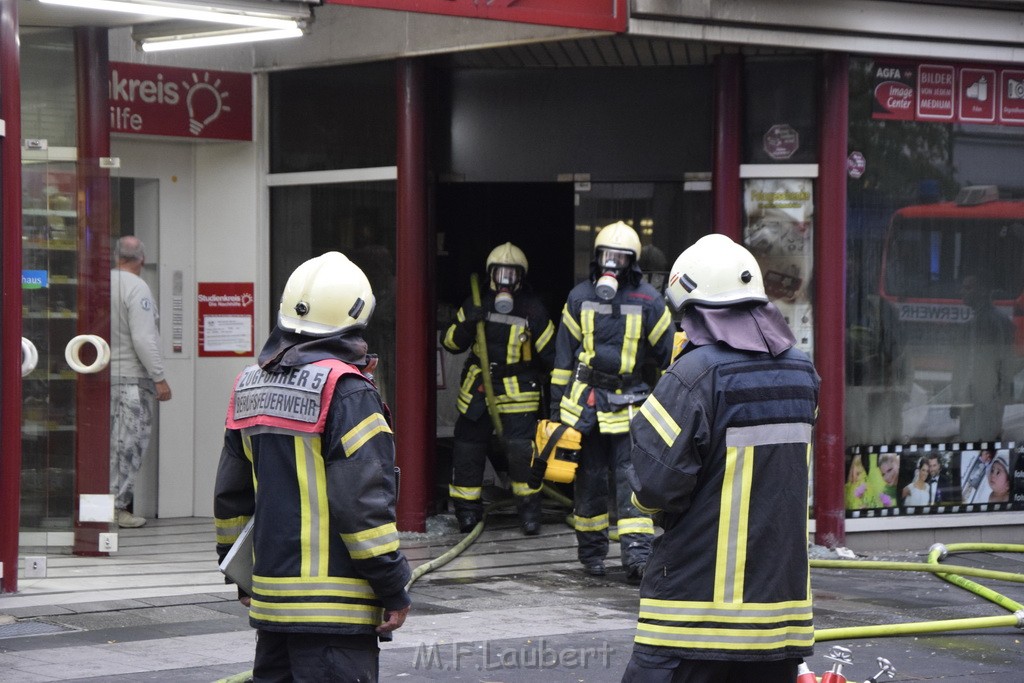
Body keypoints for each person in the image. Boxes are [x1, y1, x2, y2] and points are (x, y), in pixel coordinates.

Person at [622, 234, 820, 683]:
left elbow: (654, 488)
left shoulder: (693, 375)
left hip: (692, 619)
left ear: (693, 309)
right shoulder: (803, 372)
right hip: (778, 624)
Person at [213, 252, 411, 682]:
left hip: (271, 604)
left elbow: (231, 500)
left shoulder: (250, 384)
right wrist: (394, 584)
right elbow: (362, 506)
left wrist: (244, 578)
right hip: (335, 611)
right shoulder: (347, 392)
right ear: (355, 316)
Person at [550, 221, 674, 581]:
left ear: (633, 262)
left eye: (621, 258)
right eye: (607, 256)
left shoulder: (649, 301)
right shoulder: (578, 297)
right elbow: (562, 360)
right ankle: (591, 554)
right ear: (596, 259)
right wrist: (557, 410)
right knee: (588, 481)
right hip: (585, 405)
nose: (613, 264)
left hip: (630, 406)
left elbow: (670, 358)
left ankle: (637, 555)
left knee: (631, 481)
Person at [440, 243, 556, 534]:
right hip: (479, 388)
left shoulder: (533, 309)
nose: (505, 279)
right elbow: (451, 343)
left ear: (520, 277)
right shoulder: (476, 303)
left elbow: (553, 354)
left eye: (511, 273)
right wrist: (469, 322)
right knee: (468, 448)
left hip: (519, 393)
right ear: (491, 274)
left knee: (520, 451)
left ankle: (529, 511)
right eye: (500, 273)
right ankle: (467, 511)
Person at [109, 235, 172, 529]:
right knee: (128, 445)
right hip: (132, 381)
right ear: (142, 259)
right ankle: (116, 508)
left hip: (102, 377)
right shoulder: (137, 289)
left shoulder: (102, 284)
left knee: (107, 445)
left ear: (115, 256)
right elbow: (144, 338)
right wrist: (159, 378)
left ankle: (99, 506)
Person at [954, 273, 1016, 441]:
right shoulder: (977, 322)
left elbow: (1003, 361)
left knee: (982, 441)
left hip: (987, 398)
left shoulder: (995, 321)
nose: (962, 292)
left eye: (968, 288)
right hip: (977, 397)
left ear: (982, 291)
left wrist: (1002, 394)